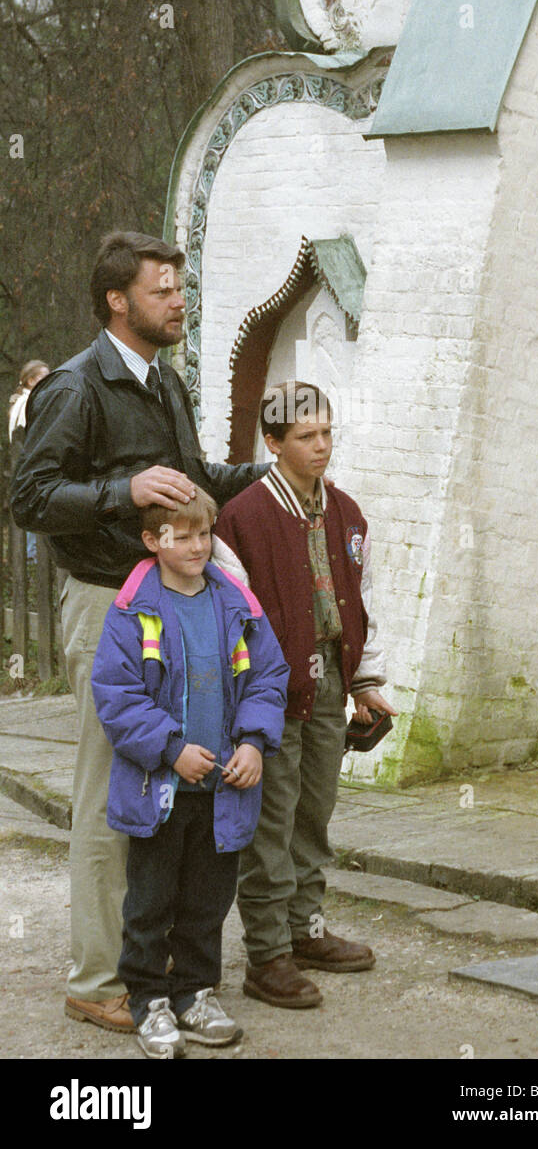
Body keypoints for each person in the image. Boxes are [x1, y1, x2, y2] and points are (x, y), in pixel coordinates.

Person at [10, 231, 268, 1032]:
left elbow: (193, 483)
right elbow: (29, 497)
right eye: (163, 290)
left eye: (180, 289)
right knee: (111, 794)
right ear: (117, 300)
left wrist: (273, 478)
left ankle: (152, 970)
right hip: (106, 604)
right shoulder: (75, 387)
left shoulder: (168, 385)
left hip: (181, 603)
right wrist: (122, 491)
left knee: (168, 794)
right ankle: (94, 980)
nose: (178, 302)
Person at [213, 380, 398, 1009]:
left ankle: (306, 929)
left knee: (314, 812)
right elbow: (232, 619)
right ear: (273, 442)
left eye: (326, 433)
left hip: (329, 683)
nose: (320, 446)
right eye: (305, 436)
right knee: (271, 819)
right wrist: (245, 700)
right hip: (266, 690)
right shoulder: (242, 518)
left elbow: (363, 601)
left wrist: (366, 682)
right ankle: (267, 956)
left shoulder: (347, 513)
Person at [91, 485, 288, 1058]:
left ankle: (195, 993)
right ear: (153, 541)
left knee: (208, 899)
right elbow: (118, 696)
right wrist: (171, 748)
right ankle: (149, 1000)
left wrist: (253, 742)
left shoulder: (237, 604)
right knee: (150, 900)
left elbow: (268, 678)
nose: (199, 546)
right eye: (184, 536)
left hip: (223, 790)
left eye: (206, 534)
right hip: (161, 789)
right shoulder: (133, 610)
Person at [7, 359, 50, 559]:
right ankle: (32, 555)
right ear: (32, 380)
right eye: (44, 376)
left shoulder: (22, 400)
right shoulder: (29, 402)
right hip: (30, 462)